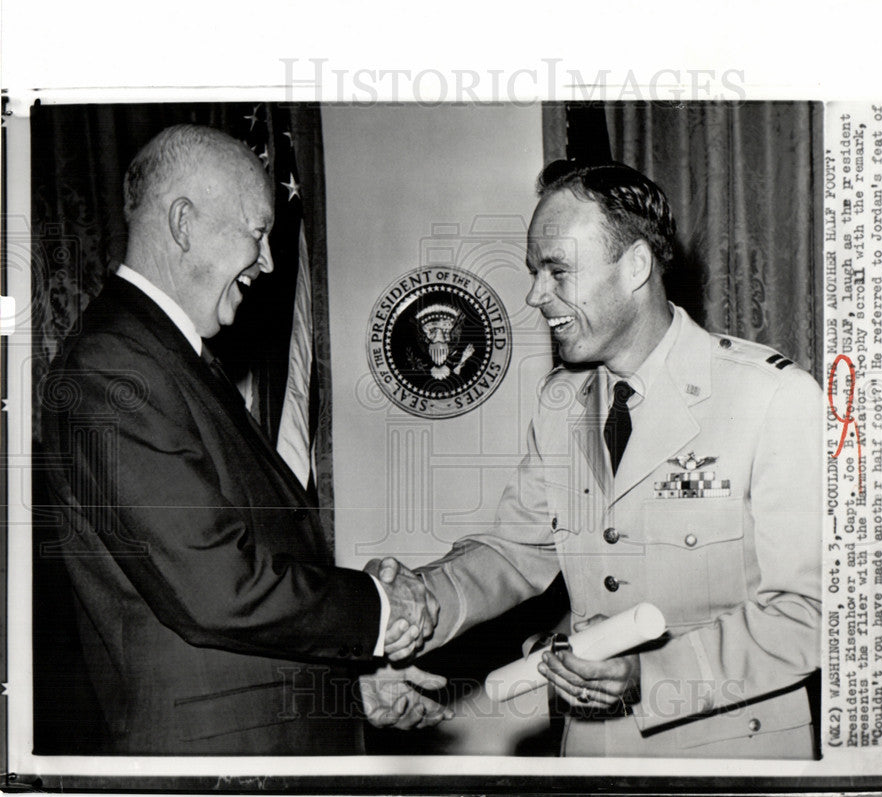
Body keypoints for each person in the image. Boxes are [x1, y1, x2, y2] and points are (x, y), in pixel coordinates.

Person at [372, 160, 823, 757]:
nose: (536, 296)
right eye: (536, 273)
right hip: (590, 757)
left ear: (635, 265)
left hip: (731, 757)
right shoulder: (561, 402)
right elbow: (513, 552)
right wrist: (414, 604)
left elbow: (813, 610)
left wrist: (652, 678)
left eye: (558, 271)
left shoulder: (770, 396)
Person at [40, 124, 445, 754]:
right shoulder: (114, 367)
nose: (269, 263)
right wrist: (378, 610)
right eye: (258, 234)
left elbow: (235, 583)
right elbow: (215, 588)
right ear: (183, 223)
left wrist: (350, 686)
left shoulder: (167, 357)